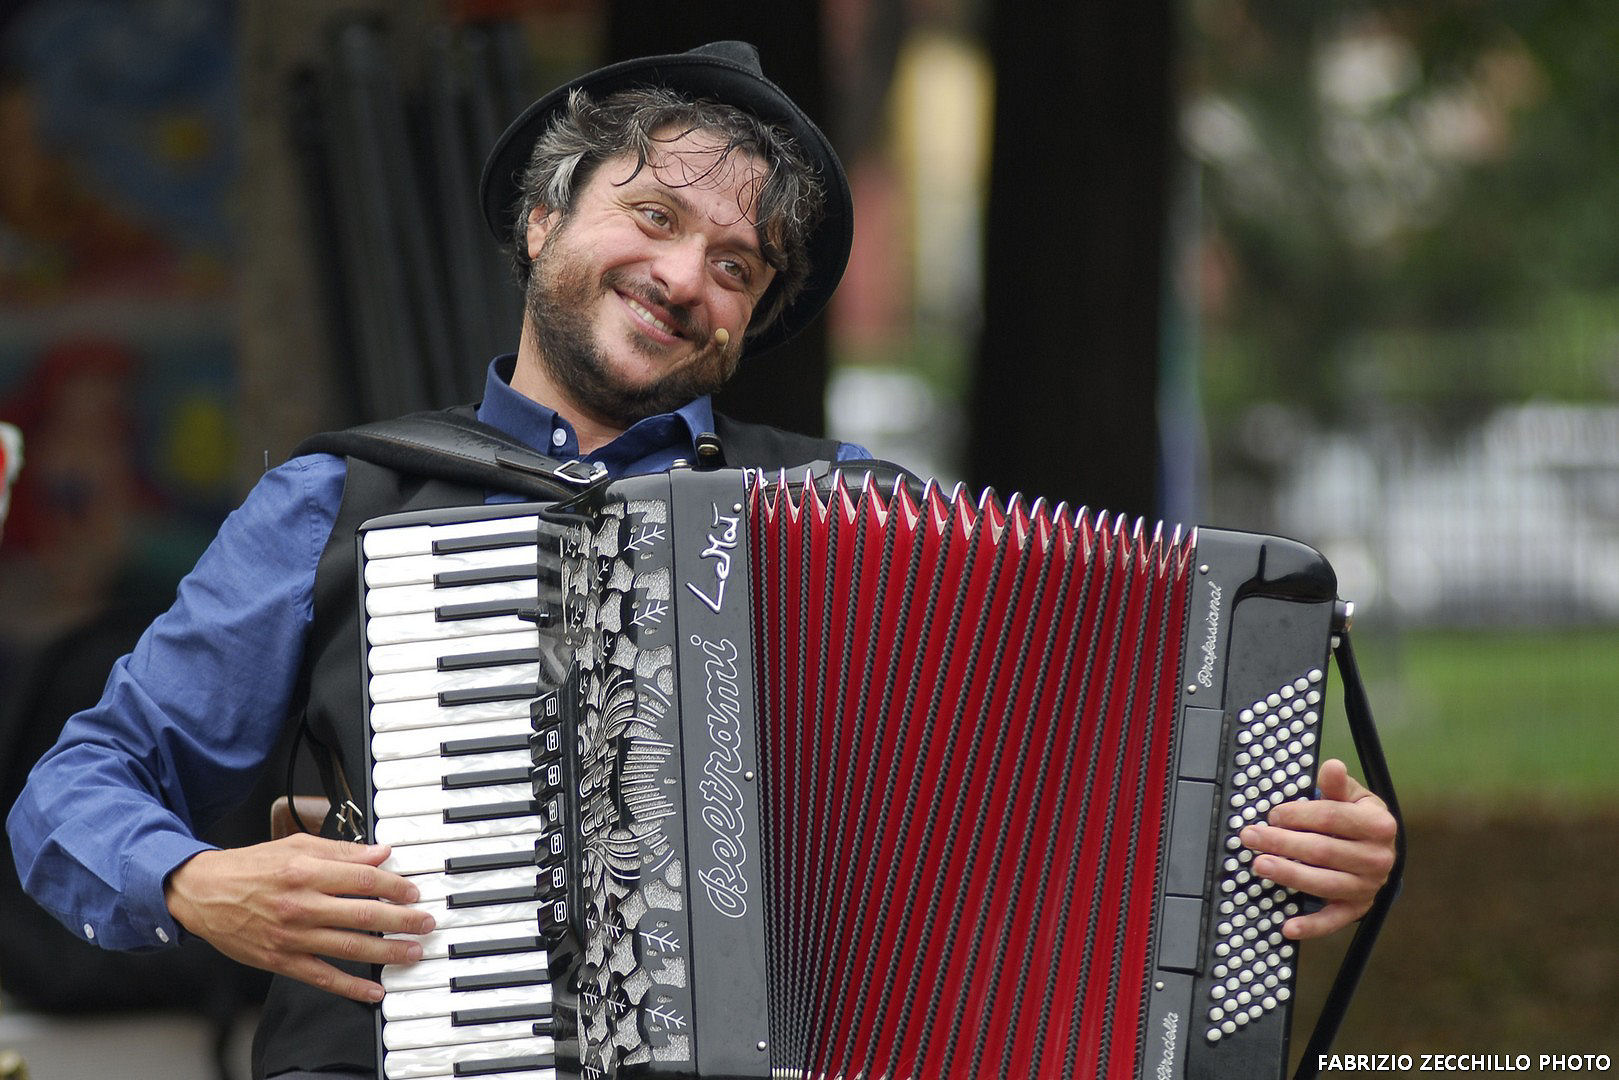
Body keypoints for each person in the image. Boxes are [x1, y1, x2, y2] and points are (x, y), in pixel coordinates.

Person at [7, 42, 1397, 1079]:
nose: (687, 277)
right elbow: (74, 789)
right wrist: (196, 884)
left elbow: (1088, 804)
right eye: (655, 218)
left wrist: (1280, 857)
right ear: (545, 220)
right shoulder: (345, 500)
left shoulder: (861, 517)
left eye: (738, 265)